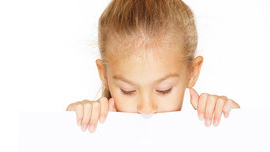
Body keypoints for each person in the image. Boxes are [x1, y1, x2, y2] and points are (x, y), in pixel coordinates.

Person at [66, 0, 240, 133]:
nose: (146, 110)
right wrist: (73, 126)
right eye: (128, 90)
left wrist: (233, 121)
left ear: (192, 72)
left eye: (164, 90)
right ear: (104, 75)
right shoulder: (92, 131)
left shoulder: (203, 135)